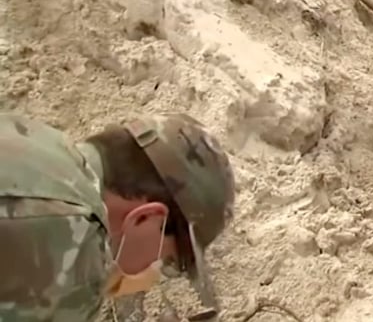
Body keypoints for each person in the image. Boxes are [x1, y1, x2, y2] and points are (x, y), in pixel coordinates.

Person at [0, 113, 236, 321]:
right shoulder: (77, 246)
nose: (153, 272)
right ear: (146, 217)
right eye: (171, 261)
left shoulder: (34, 137)